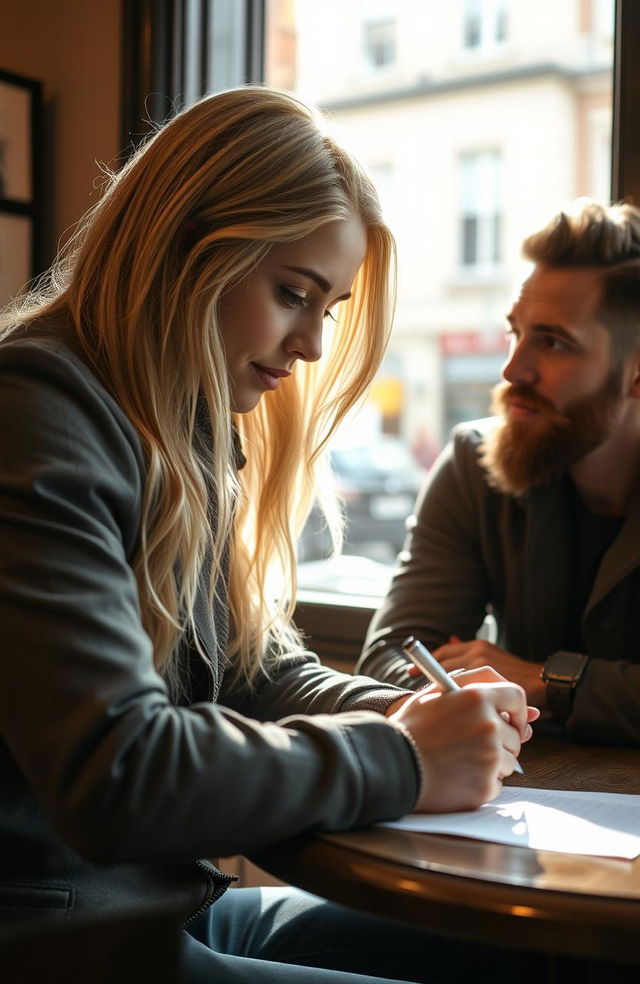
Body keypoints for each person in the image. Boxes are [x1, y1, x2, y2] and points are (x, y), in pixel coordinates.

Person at [0, 87, 534, 983]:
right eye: (295, 294)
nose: (313, 348)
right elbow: (118, 774)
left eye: (329, 308)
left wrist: (396, 710)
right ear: (184, 251)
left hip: (155, 903)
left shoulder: (177, 429)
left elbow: (251, 666)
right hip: (56, 937)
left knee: (522, 958)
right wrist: (403, 757)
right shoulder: (34, 411)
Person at [358, 197, 640, 747]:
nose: (512, 368)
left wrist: (546, 682)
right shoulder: (475, 463)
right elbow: (390, 657)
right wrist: (471, 688)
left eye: (553, 342)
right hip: (520, 804)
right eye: (516, 332)